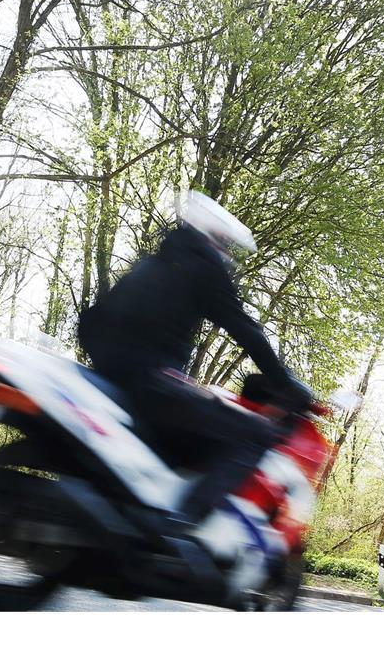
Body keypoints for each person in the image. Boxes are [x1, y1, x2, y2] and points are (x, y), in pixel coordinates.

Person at [77, 190, 310, 532]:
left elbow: (95, 322)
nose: (227, 254)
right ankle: (180, 527)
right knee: (256, 433)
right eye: (226, 244)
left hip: (114, 377)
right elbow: (244, 329)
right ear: (214, 237)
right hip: (151, 381)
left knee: (195, 420)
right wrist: (282, 380)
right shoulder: (201, 265)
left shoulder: (157, 261)